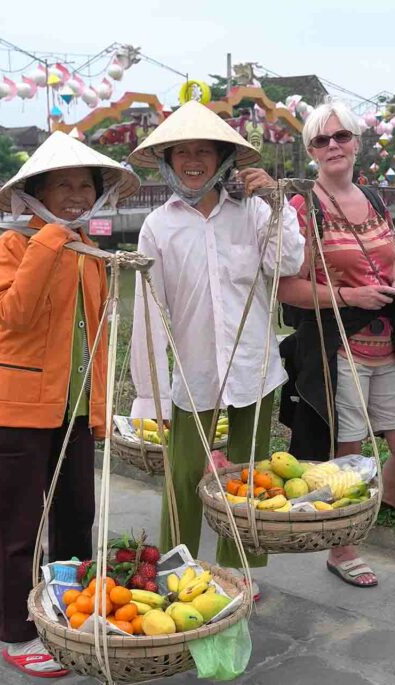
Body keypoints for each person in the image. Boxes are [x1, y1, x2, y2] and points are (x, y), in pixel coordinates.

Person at [127, 102, 304, 597]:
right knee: (183, 473)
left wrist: (275, 200)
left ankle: (240, 571)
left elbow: (289, 260)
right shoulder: (158, 227)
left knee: (250, 474)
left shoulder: (250, 213)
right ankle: (177, 568)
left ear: (223, 159)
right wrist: (151, 393)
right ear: (167, 162)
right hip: (195, 369)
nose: (192, 161)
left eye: (203, 151)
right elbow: (149, 310)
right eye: (181, 152)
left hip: (254, 365)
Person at [0, 132, 140, 678]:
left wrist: (100, 410)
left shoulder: (89, 257)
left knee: (76, 521)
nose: (75, 195)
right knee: (17, 528)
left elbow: (95, 341)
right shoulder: (15, 247)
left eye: (84, 186)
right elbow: (11, 319)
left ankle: (64, 613)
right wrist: (51, 238)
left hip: (72, 414)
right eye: (62, 186)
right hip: (16, 411)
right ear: (37, 193)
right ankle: (17, 633)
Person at [277, 101, 395, 589]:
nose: (333, 147)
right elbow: (287, 288)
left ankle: (389, 491)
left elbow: (393, 264)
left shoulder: (375, 199)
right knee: (349, 456)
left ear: (357, 143)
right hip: (338, 349)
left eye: (340, 137)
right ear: (310, 152)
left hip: (391, 343)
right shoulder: (305, 208)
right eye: (321, 141)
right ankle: (342, 548)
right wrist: (350, 295)